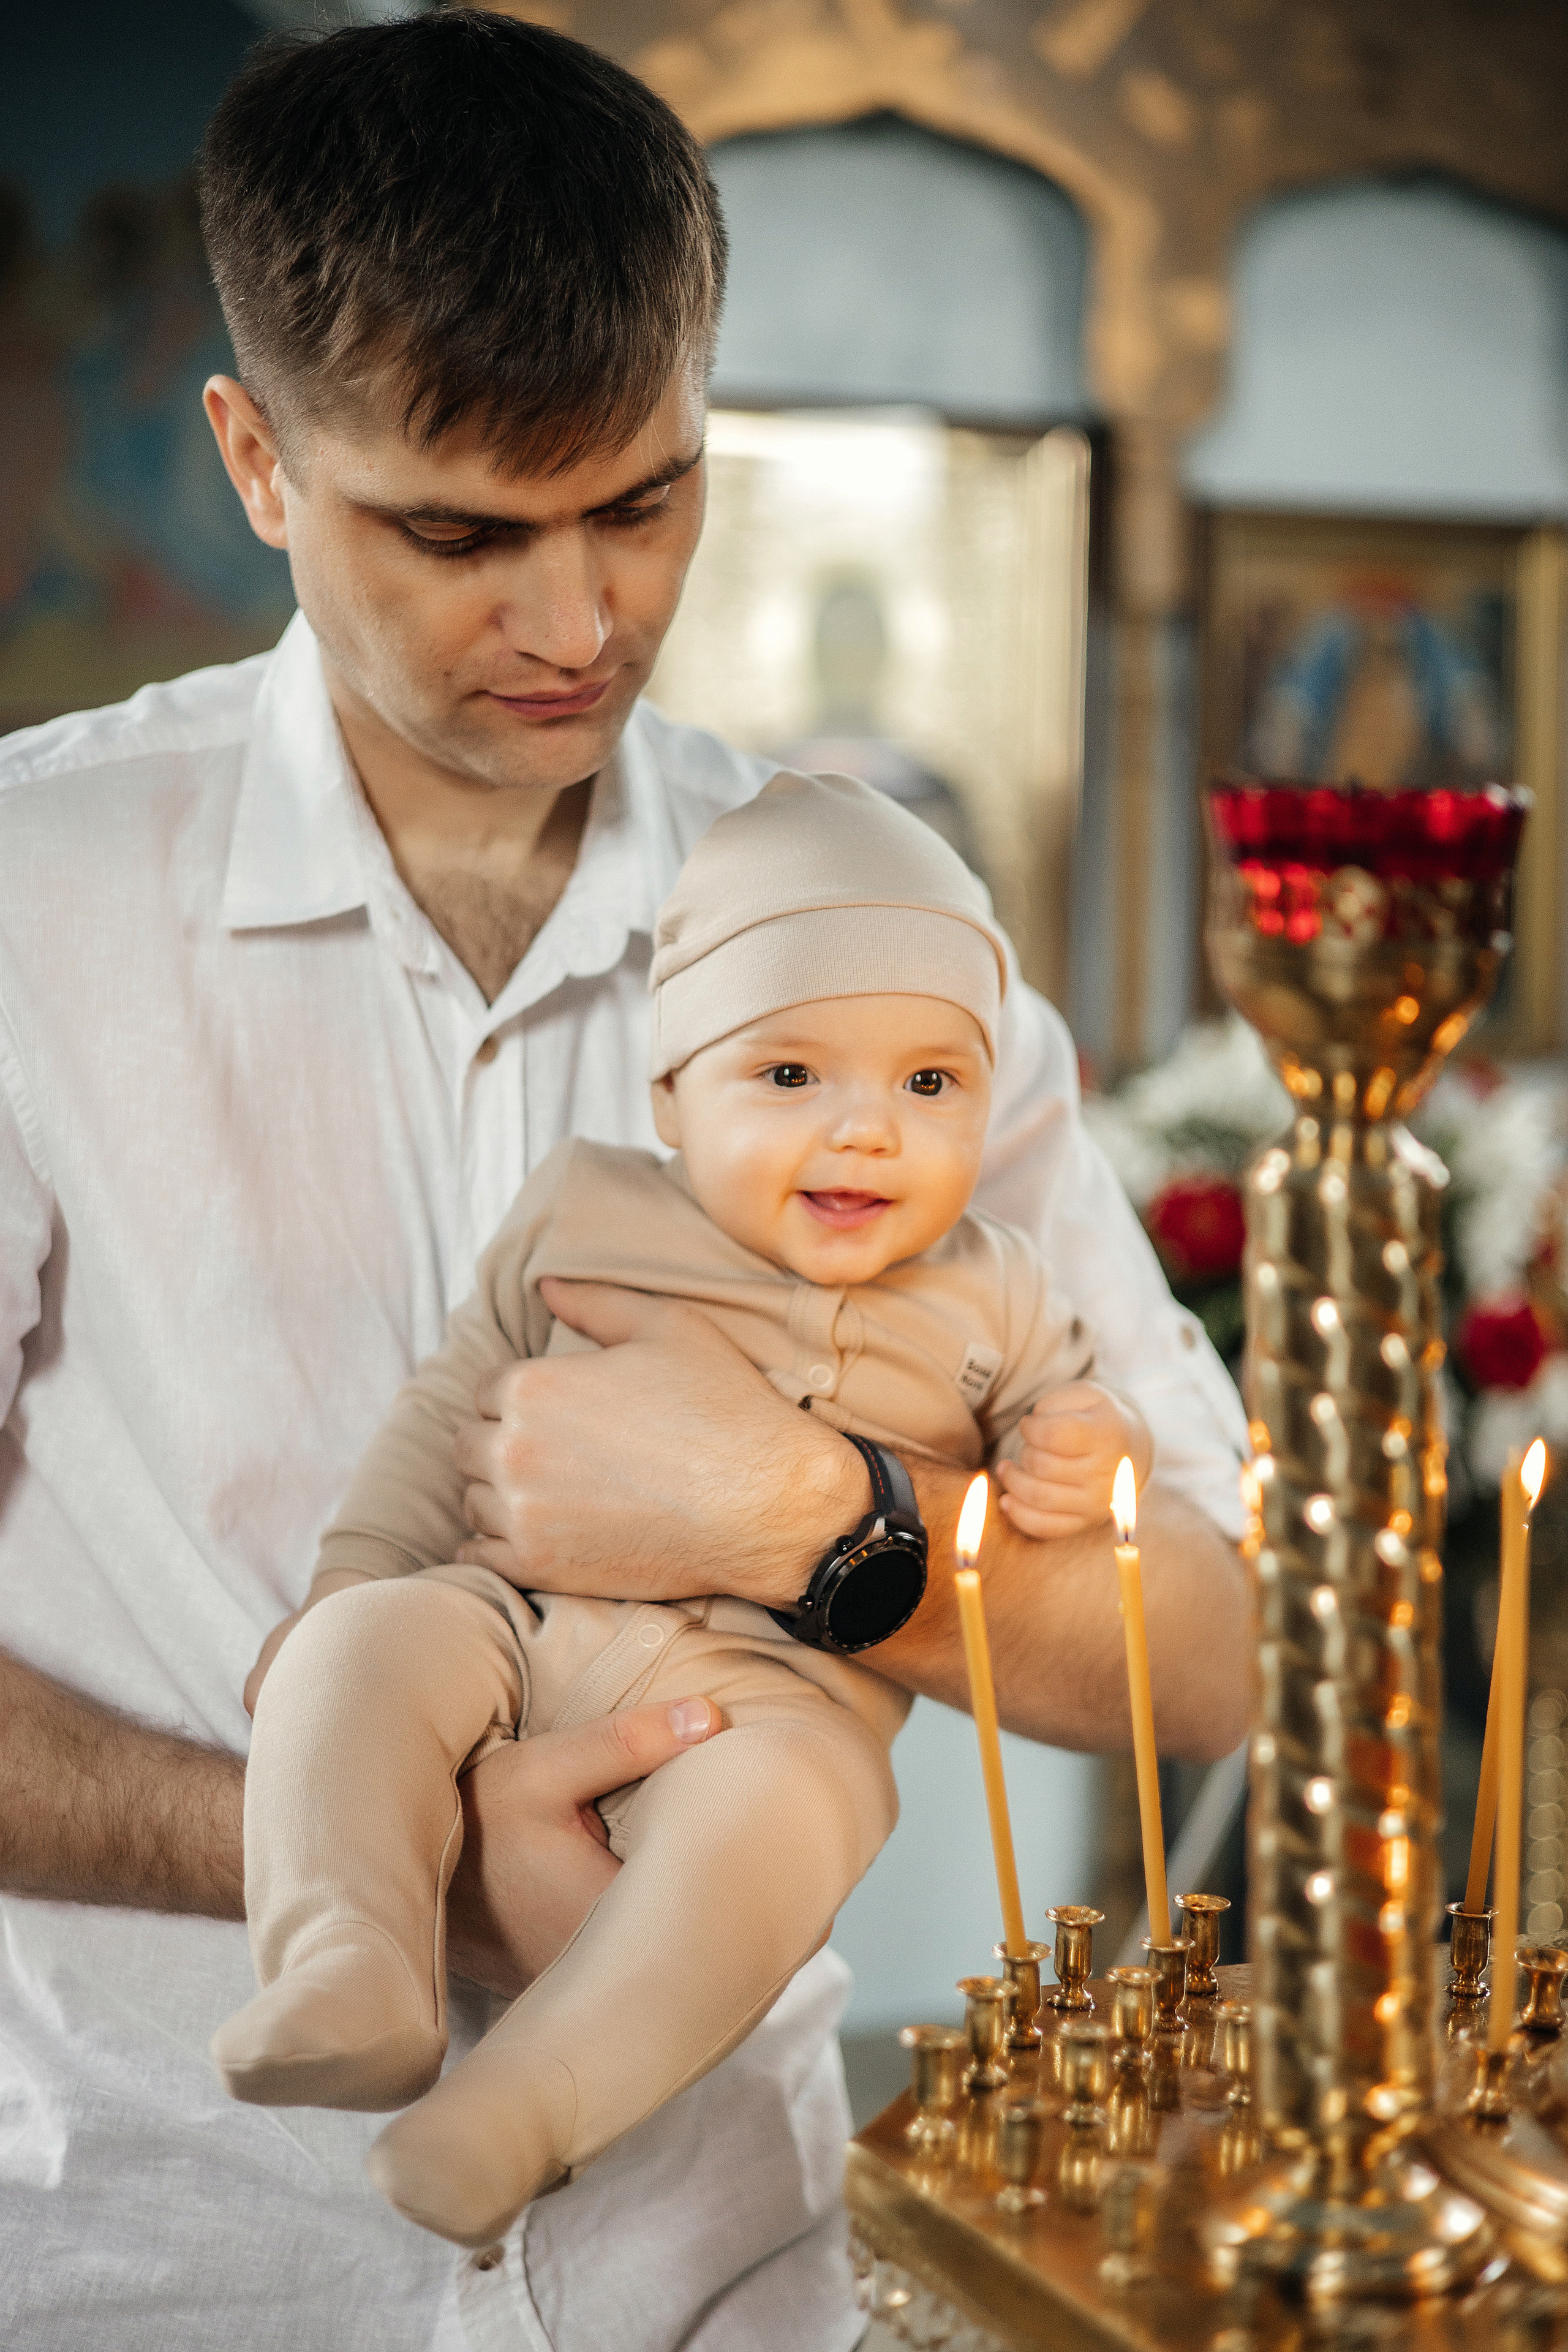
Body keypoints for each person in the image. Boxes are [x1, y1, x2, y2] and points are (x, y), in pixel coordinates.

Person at [0, 15, 1249, 2349]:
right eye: (462, 533)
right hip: (159, 2268)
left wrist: (818, 1524)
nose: (578, 626)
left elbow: (1217, 1640)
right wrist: (353, 1843)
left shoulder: (885, 948)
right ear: (258, 461)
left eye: (645, 503)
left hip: (720, 2276)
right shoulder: (24, 902)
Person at [215, 769, 1153, 2251]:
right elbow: (449, 1409)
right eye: (789, 1076)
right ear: (670, 1095)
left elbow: (1076, 1431)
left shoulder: (998, 1288)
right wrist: (353, 1582)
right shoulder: (584, 1209)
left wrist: (1088, 1454)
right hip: (513, 1622)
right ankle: (347, 1957)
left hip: (768, 1705)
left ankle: (525, 2107)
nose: (866, 1132)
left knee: (781, 1831)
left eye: (929, 1083)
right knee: (353, 1657)